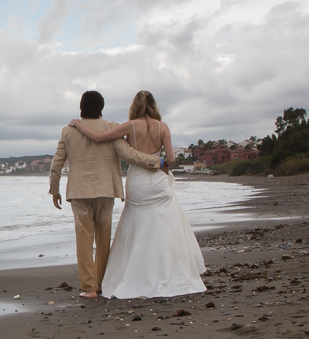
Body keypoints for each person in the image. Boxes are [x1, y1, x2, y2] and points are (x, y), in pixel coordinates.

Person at [68, 90, 206, 298]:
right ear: (154, 105)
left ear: (135, 105)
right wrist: (163, 167)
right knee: (164, 226)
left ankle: (132, 274)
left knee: (137, 225)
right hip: (158, 179)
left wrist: (77, 124)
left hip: (138, 181)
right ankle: (170, 272)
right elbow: (170, 158)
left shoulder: (130, 126)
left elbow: (98, 138)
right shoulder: (164, 127)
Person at [49, 91, 163, 299]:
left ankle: (89, 288)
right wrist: (156, 161)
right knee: (103, 237)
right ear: (101, 107)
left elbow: (57, 163)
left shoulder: (68, 131)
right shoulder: (111, 128)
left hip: (79, 190)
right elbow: (128, 154)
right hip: (105, 189)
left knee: (84, 239)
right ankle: (101, 284)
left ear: (81, 106)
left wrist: (54, 189)